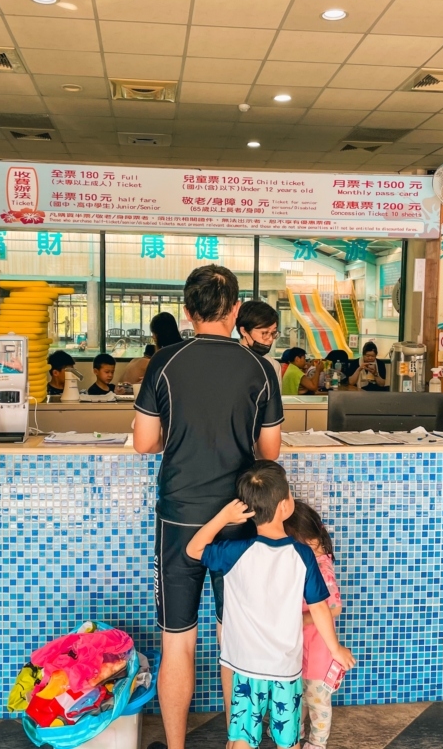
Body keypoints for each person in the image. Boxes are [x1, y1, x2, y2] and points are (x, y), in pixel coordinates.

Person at [133, 265, 284, 749]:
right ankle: (235, 743)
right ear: (236, 310)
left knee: (178, 637)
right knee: (232, 638)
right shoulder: (260, 367)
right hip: (240, 519)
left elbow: (144, 442)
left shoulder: (165, 362)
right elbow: (271, 451)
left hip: (179, 517)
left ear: (187, 311)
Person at [186, 461, 355, 749]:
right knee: (288, 740)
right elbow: (319, 607)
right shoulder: (302, 555)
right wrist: (336, 648)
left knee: (240, 737)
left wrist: (224, 517)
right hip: (284, 670)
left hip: (244, 665)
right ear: (286, 505)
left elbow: (194, 549)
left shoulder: (235, 552)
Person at [284, 501, 344, 749]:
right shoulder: (302, 562)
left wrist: (299, 620)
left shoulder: (322, 569)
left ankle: (317, 743)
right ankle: (292, 733)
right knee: (300, 697)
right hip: (300, 652)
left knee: (318, 702)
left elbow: (334, 608)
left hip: (318, 654)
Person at [236, 300, 282, 380]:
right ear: (244, 331)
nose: (270, 339)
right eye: (264, 333)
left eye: (273, 333)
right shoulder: (229, 360)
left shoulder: (273, 365)